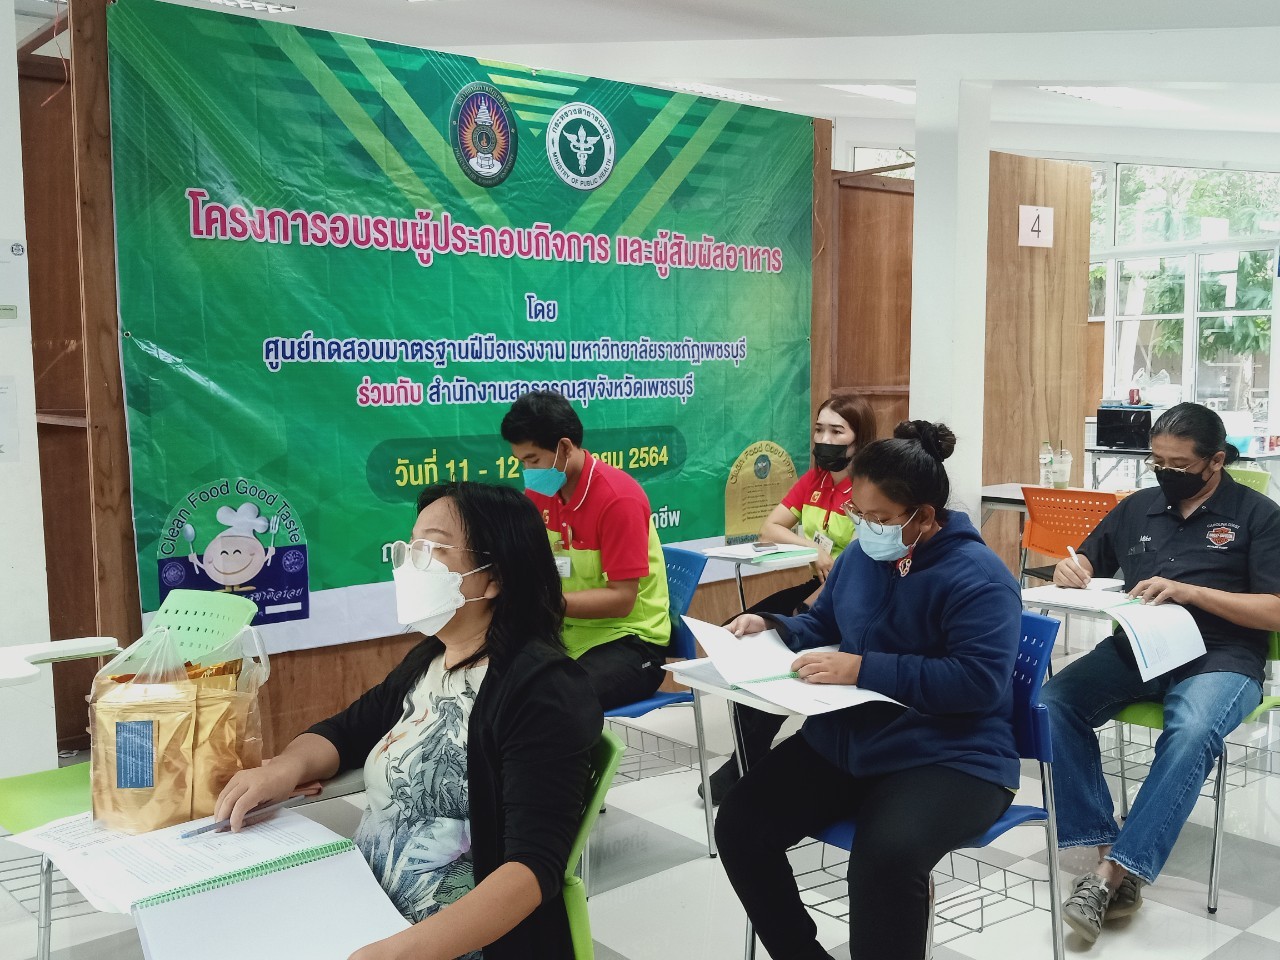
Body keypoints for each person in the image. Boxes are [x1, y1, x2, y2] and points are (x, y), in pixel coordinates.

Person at [216, 482, 603, 960]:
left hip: (446, 943)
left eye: (433, 549)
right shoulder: (431, 659)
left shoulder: (543, 689)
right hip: (366, 906)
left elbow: (530, 871)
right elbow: (346, 732)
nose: (410, 565)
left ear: (494, 578)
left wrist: (397, 953)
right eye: (411, 547)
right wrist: (285, 769)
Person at [715, 421, 1023, 960]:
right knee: (741, 823)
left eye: (879, 519)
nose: (866, 527)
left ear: (923, 516)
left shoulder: (979, 578)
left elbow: (976, 683)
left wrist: (864, 669)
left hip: (951, 754)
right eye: (859, 514)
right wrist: (774, 627)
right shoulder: (863, 554)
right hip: (849, 739)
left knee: (885, 861)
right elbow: (826, 623)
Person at [1040, 402, 1280, 944]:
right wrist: (1072, 568)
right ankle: (1107, 846)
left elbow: (1275, 609)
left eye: (1179, 465)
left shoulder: (1259, 515)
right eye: (1157, 462)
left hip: (1222, 655)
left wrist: (1192, 593)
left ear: (1216, 461)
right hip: (1142, 647)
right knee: (1051, 703)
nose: (1166, 473)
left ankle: (1111, 876)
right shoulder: (1138, 508)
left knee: (1192, 730)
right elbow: (1089, 562)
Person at [701, 392, 878, 804]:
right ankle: (748, 754)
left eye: (837, 432)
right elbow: (770, 528)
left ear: (860, 439)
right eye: (820, 430)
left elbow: (862, 564)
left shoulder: (868, 489)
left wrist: (812, 601)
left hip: (851, 594)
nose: (825, 440)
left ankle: (750, 758)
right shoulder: (816, 480)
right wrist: (815, 551)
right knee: (739, 630)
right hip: (818, 584)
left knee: (776, 645)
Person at [500, 390, 671, 711]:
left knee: (554, 702)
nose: (528, 471)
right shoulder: (540, 493)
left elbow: (622, 599)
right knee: (490, 682)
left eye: (533, 460)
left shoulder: (618, 499)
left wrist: (544, 605)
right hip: (566, 634)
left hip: (630, 642)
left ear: (565, 447)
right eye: (521, 462)